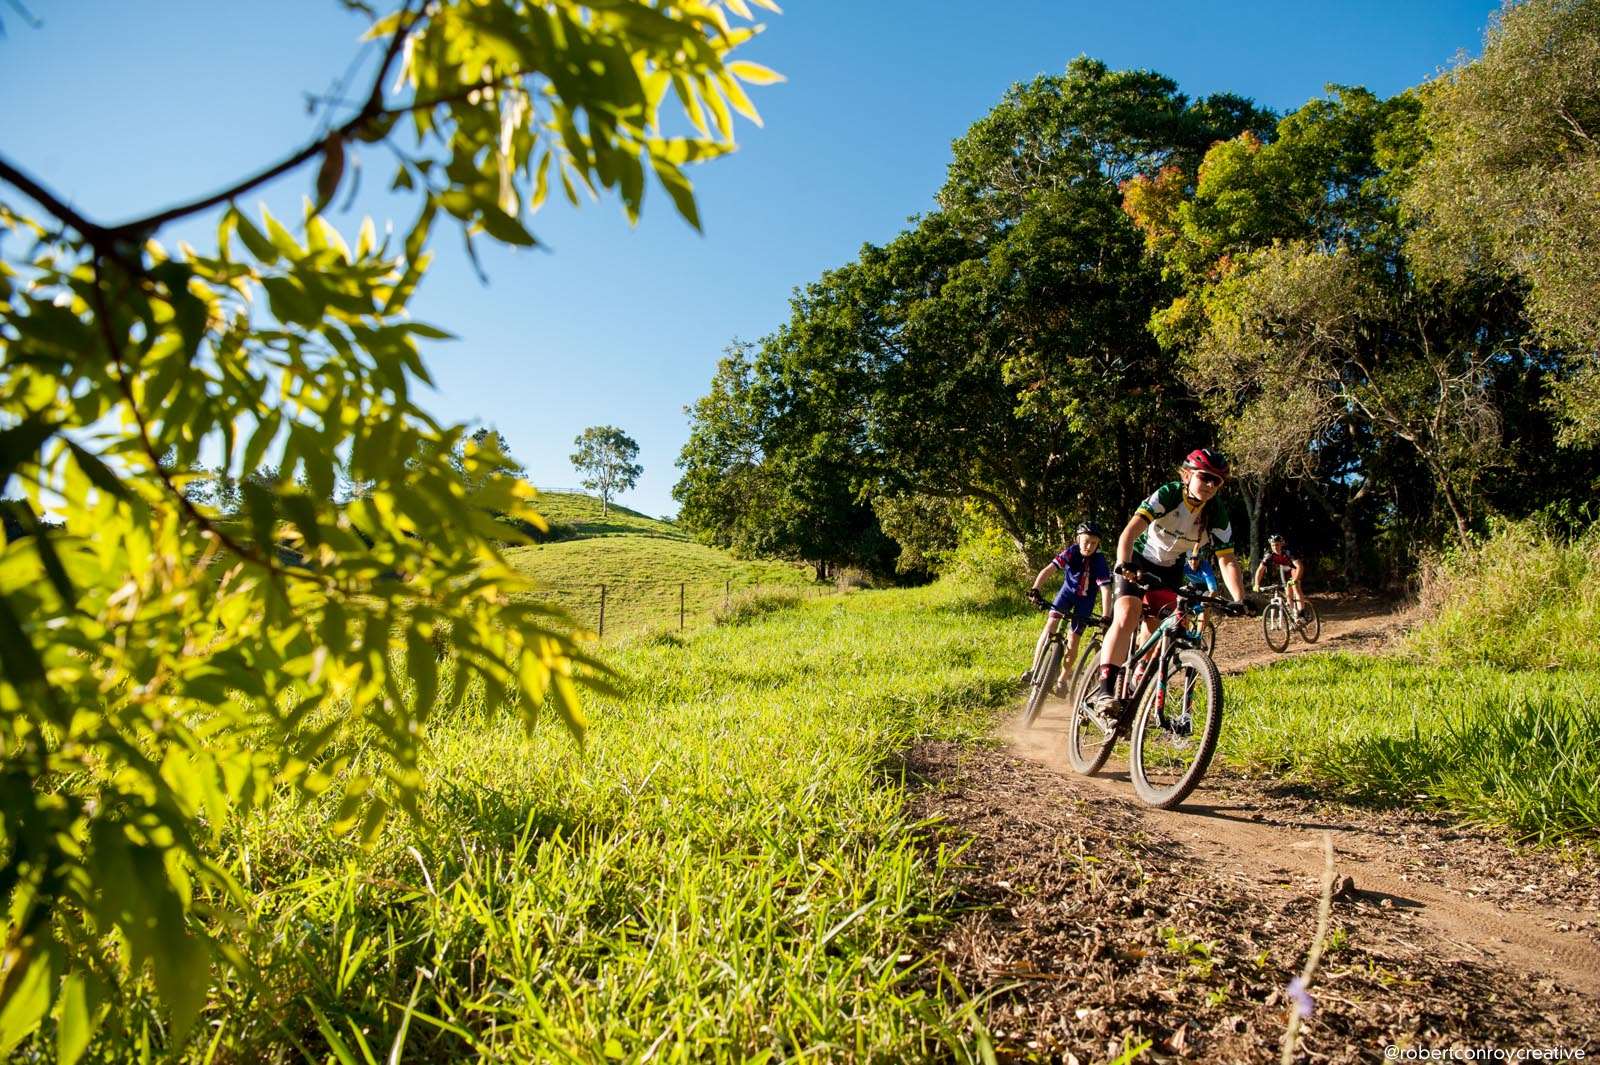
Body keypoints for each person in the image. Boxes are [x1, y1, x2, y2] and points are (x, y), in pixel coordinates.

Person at [1087, 449, 1249, 714]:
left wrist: (1239, 599)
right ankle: (1105, 689)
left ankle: (1138, 675)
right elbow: (1129, 532)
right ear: (1187, 475)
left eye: (1216, 481)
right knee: (1127, 614)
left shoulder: (1216, 513)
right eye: (1205, 477)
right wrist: (1123, 563)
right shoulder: (1169, 494)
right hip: (1138, 558)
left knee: (1161, 628)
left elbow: (1227, 560)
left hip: (1171, 569)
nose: (1209, 485)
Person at [1025, 521, 1113, 694]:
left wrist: (1105, 615)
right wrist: (1035, 589)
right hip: (1066, 594)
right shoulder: (1071, 551)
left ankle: (1062, 680)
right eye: (1086, 541)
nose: (1089, 546)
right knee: (1050, 624)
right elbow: (1050, 569)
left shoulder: (1099, 560)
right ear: (1078, 539)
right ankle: (1035, 669)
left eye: (1094, 543)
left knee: (1074, 639)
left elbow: (1105, 589)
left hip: (1085, 601)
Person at [1253, 534, 1307, 618]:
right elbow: (1260, 570)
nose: (1275, 547)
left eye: (1277, 545)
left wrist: (1295, 579)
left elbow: (1299, 566)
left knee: (1295, 587)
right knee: (1288, 593)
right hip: (1284, 570)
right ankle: (1294, 615)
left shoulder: (1288, 552)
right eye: (1273, 545)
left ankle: (1302, 612)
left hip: (1294, 569)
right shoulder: (1268, 555)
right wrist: (1256, 584)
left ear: (1281, 544)